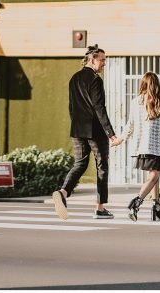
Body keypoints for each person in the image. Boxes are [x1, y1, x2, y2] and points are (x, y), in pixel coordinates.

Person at [51, 44, 123, 220]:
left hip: (77, 130)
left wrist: (76, 124)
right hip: (95, 131)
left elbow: (72, 107)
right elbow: (100, 108)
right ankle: (100, 208)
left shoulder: (74, 78)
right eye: (102, 60)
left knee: (80, 164)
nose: (104, 64)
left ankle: (63, 192)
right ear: (92, 60)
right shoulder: (95, 80)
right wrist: (111, 134)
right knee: (102, 166)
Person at [119, 71, 160, 221]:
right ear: (156, 85)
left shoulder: (135, 102)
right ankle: (136, 202)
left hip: (142, 146)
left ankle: (157, 207)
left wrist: (121, 139)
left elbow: (130, 125)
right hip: (156, 146)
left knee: (154, 176)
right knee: (154, 175)